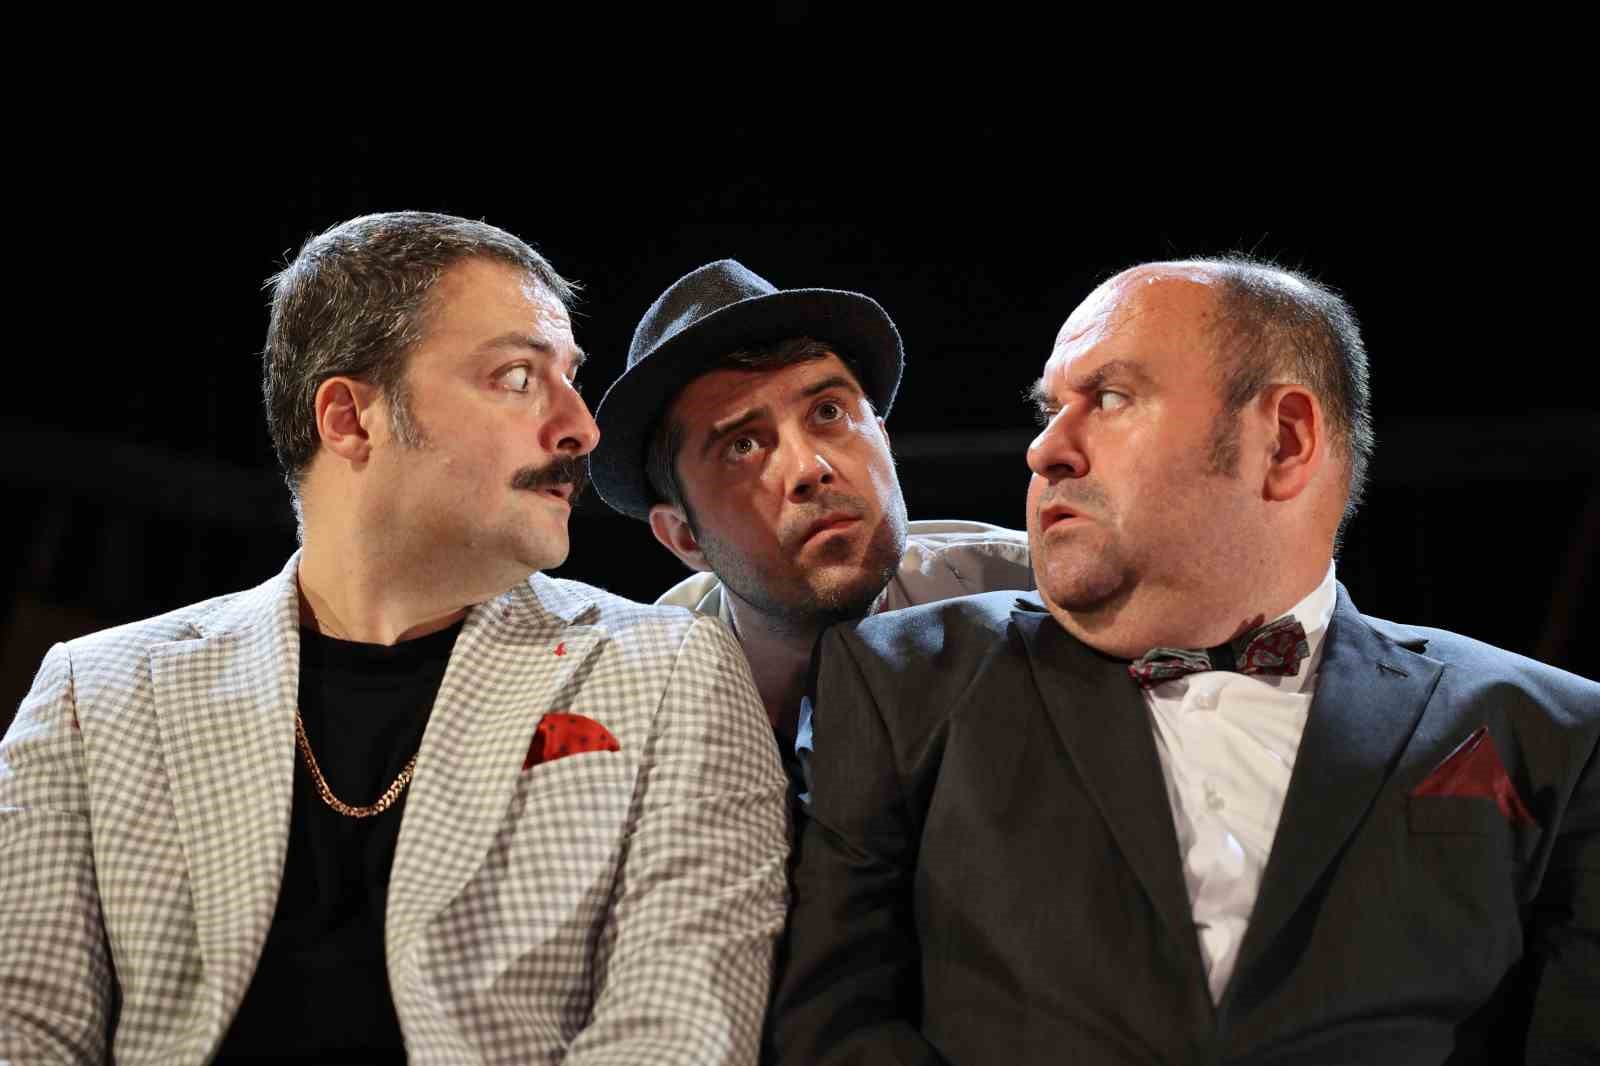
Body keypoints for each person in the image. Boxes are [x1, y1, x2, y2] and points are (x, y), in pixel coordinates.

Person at [0, 212, 789, 1064]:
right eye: (518, 377)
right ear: (350, 419)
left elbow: (677, 1035)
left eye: (571, 378)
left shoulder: (670, 668)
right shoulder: (97, 692)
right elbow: (24, 1030)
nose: (582, 430)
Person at [770, 257, 1600, 1064]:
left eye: (1110, 398)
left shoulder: (1550, 732)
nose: (1046, 449)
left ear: (1284, 441)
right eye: (1050, 410)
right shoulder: (901, 680)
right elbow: (832, 1029)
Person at [588, 259, 1032, 786]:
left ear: (884, 441)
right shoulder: (635, 704)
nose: (809, 469)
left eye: (828, 413)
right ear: (685, 537)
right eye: (742, 445)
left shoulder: (1037, 598)